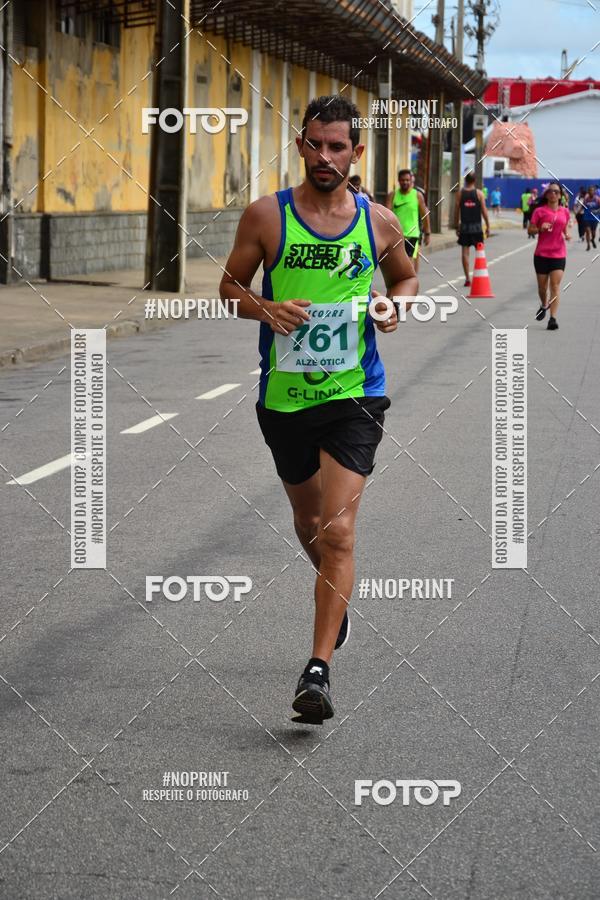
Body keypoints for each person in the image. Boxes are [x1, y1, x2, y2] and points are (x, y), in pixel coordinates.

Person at [219, 95, 418, 725]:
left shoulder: (378, 221)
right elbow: (229, 286)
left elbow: (406, 280)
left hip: (355, 396)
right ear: (301, 146)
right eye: (314, 144)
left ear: (356, 153)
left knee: (338, 532)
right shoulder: (266, 216)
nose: (325, 156)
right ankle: (340, 601)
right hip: (284, 400)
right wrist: (264, 309)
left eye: (338, 146)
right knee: (309, 526)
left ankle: (318, 671)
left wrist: (394, 308)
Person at [529, 180, 571, 331]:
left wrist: (567, 234)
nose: (553, 194)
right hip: (541, 254)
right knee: (542, 287)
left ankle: (553, 318)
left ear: (560, 196)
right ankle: (544, 305)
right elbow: (530, 230)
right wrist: (540, 228)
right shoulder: (539, 211)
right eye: (551, 191)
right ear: (546, 195)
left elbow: (564, 227)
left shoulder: (565, 211)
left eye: (556, 192)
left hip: (558, 254)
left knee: (555, 286)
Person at [386, 168, 430, 273]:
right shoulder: (393, 195)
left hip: (412, 235)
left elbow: (425, 214)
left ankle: (410, 284)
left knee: (408, 262)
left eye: (407, 180)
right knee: (396, 263)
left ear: (411, 181)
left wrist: (427, 232)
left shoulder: (417, 195)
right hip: (396, 235)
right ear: (398, 180)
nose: (405, 182)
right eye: (402, 180)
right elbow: (386, 215)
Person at [454, 172, 490, 287]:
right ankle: (480, 275)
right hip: (477, 228)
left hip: (465, 227)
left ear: (465, 180)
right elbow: (484, 211)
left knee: (465, 253)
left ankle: (467, 278)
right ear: (474, 181)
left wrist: (456, 225)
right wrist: (488, 225)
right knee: (480, 253)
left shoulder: (460, 193)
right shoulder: (479, 193)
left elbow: (456, 211)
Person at [582, 185, 599, 250]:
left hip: (594, 218)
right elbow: (583, 206)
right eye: (589, 190)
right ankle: (588, 245)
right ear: (588, 191)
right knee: (588, 231)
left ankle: (592, 239)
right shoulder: (586, 199)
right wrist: (578, 211)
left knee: (593, 233)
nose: (590, 192)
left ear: (594, 191)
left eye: (592, 190)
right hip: (587, 218)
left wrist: (596, 211)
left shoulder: (597, 199)